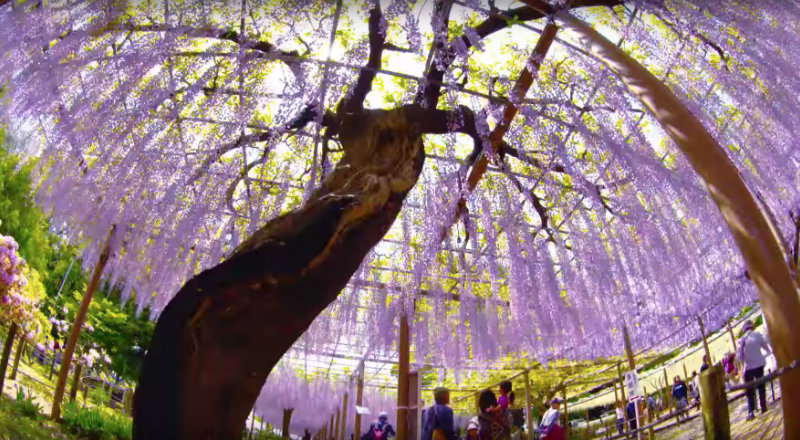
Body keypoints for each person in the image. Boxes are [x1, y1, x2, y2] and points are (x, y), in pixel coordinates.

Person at [738, 319, 772, 420]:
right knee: (761, 386)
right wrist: (765, 354)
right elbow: (766, 348)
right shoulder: (757, 335)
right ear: (752, 327)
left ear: (744, 330)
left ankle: (751, 412)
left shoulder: (741, 340)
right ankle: (763, 406)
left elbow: (739, 357)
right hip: (759, 364)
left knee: (749, 390)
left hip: (748, 367)